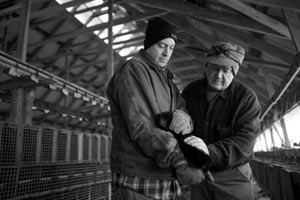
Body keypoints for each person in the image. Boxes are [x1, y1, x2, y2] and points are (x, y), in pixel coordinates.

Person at [106, 17, 205, 200]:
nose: (167, 53)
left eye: (171, 47)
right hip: (137, 176)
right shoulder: (133, 70)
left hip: (164, 175)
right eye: (162, 45)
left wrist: (185, 122)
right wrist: (180, 160)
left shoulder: (167, 81)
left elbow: (183, 116)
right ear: (150, 43)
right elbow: (143, 128)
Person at [170, 41, 261, 200]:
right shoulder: (191, 92)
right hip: (199, 175)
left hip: (233, 176)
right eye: (214, 68)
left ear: (235, 72)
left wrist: (208, 152)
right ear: (206, 66)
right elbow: (181, 128)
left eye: (225, 70)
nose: (219, 75)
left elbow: (245, 141)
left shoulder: (245, 98)